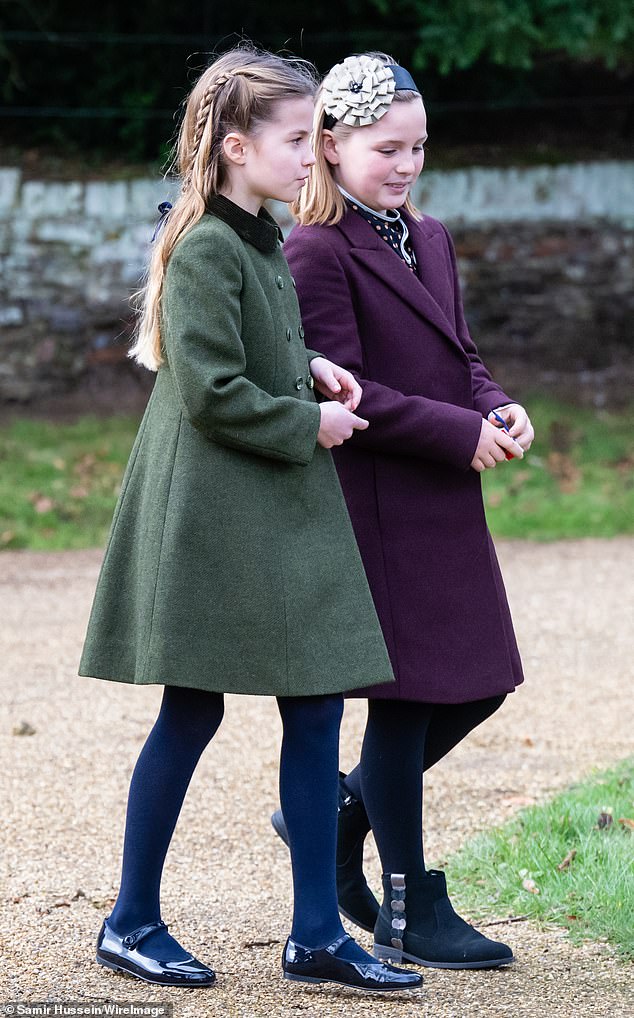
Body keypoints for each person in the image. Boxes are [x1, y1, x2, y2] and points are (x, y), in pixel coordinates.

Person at [78, 46, 422, 994]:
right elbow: (211, 390)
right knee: (190, 710)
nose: (315, 156)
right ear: (236, 147)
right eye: (300, 139)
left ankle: (317, 933)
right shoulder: (203, 244)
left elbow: (253, 347)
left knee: (315, 707)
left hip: (274, 503)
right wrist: (313, 420)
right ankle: (130, 919)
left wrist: (308, 365)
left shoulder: (258, 235)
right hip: (213, 513)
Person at [271, 52, 535, 970]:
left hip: (446, 494)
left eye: (419, 147)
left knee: (483, 677)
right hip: (379, 500)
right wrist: (457, 430)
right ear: (332, 145)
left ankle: (341, 810)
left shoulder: (433, 235)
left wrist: (495, 401)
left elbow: (458, 352)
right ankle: (408, 906)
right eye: (388, 148)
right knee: (409, 699)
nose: (407, 165)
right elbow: (353, 394)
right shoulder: (314, 250)